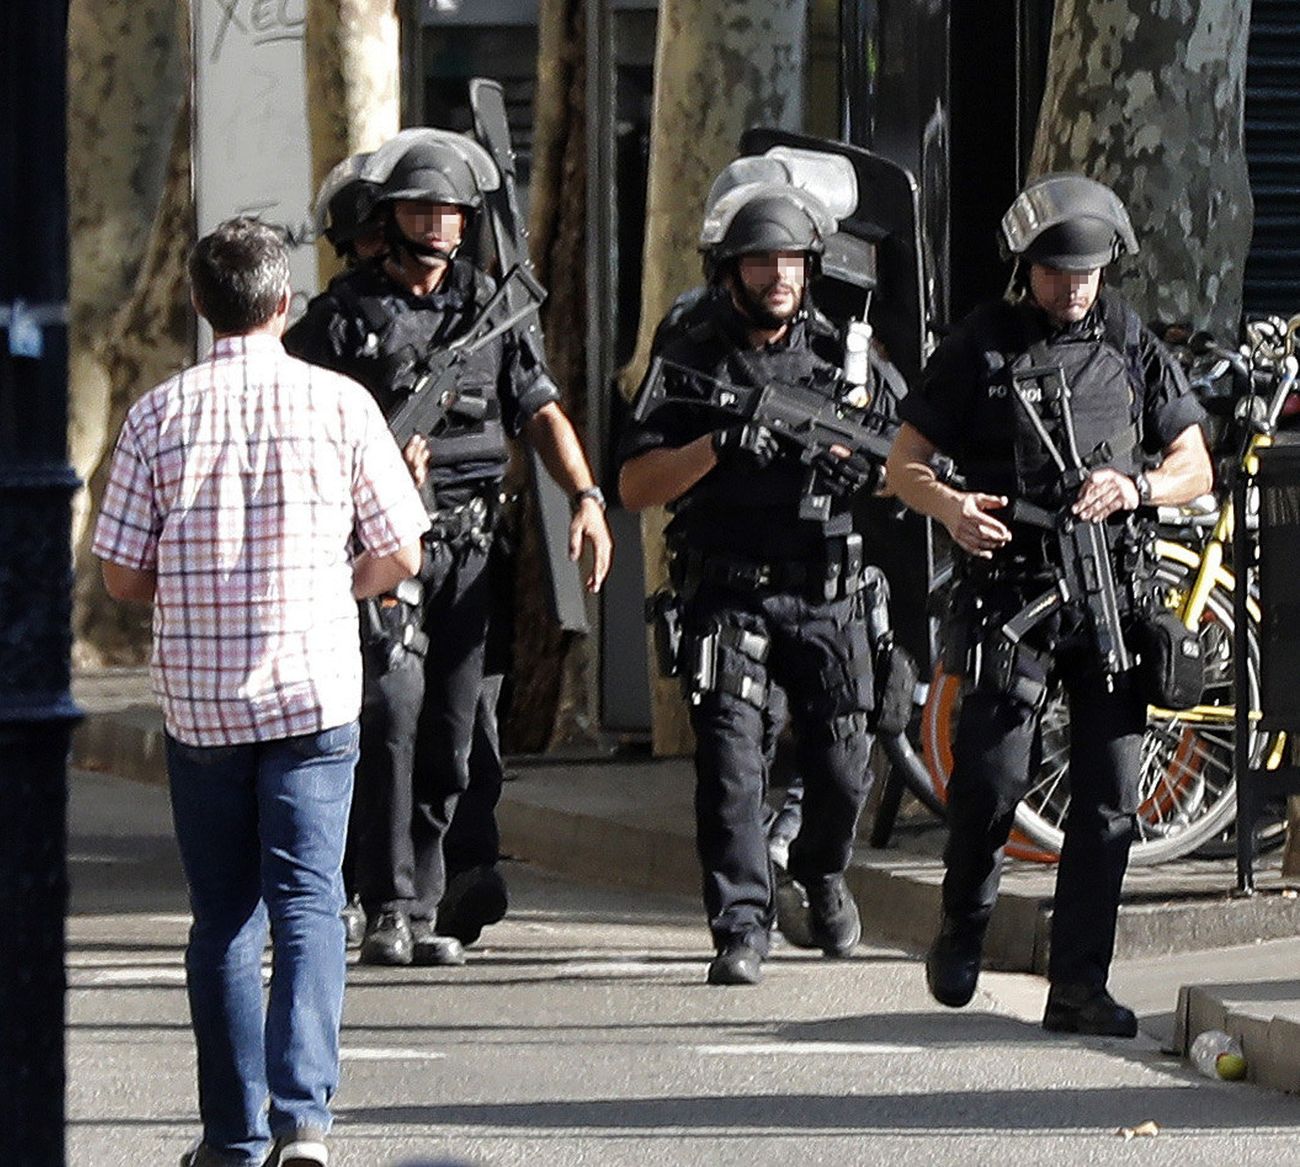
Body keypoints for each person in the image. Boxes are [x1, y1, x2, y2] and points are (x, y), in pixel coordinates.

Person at [92, 218, 428, 1167]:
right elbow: (400, 551)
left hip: (203, 707)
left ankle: (233, 1137)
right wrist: (338, 583)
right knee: (309, 902)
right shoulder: (341, 406)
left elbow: (118, 574)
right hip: (313, 694)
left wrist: (193, 583)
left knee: (224, 916)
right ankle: (305, 1122)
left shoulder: (159, 416)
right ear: (285, 304)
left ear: (199, 306)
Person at [885, 173, 1213, 1036]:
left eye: (1089, 271)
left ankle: (1079, 986)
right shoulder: (981, 344)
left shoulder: (1130, 339)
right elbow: (902, 463)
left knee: (1109, 800)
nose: (1073, 287)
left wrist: (1137, 486)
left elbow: (1195, 461)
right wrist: (953, 508)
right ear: (1025, 266)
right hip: (1014, 592)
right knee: (989, 780)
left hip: (1109, 593)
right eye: (1057, 271)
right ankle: (964, 917)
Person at [285, 130, 612, 968]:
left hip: (467, 545)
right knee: (388, 712)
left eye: (450, 213)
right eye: (420, 211)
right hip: (377, 548)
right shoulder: (338, 323)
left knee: (455, 726)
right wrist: (372, 466)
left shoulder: (492, 312)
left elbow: (539, 411)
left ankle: (427, 897)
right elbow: (292, 432)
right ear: (387, 220)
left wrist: (584, 497)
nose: (436, 227)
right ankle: (383, 897)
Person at [618, 169, 891, 986]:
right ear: (729, 268)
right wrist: (719, 447)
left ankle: (819, 868)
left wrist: (865, 477)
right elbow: (633, 484)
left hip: (827, 590)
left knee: (844, 765)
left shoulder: (846, 352)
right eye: (760, 260)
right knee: (732, 767)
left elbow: (906, 460)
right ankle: (742, 922)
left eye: (792, 261)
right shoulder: (691, 350)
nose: (778, 277)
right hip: (729, 590)